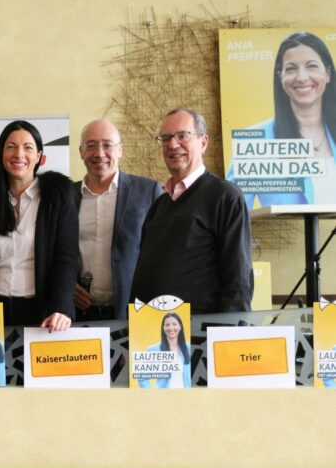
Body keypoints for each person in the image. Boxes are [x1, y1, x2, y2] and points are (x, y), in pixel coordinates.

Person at [0, 120, 77, 331]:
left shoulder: (57, 197)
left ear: (39, 156)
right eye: (11, 147)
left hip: (44, 315)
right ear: (1, 154)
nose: (19, 154)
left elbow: (66, 257)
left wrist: (62, 307)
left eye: (28, 148)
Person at [130, 109, 253, 314]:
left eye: (183, 135)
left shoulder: (225, 197)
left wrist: (230, 329)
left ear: (203, 142)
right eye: (166, 138)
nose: (173, 145)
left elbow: (238, 278)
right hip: (152, 329)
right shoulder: (158, 206)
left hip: (201, 331)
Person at [233, 31, 336, 208]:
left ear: (327, 73)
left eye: (311, 66)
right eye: (291, 68)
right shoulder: (253, 140)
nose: (302, 77)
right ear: (280, 76)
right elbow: (233, 213)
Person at [73, 120, 163, 322]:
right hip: (78, 316)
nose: (99, 153)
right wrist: (67, 285)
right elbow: (55, 252)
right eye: (91, 145)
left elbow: (161, 256)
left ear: (120, 149)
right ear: (81, 151)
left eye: (107, 145)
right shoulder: (67, 196)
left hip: (133, 315)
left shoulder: (148, 192)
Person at [138, 312, 191, 389]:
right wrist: (150, 394)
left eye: (174, 324)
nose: (171, 327)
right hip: (164, 395)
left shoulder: (190, 349)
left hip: (187, 395)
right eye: (167, 325)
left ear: (180, 327)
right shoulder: (153, 351)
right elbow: (142, 378)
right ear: (163, 328)